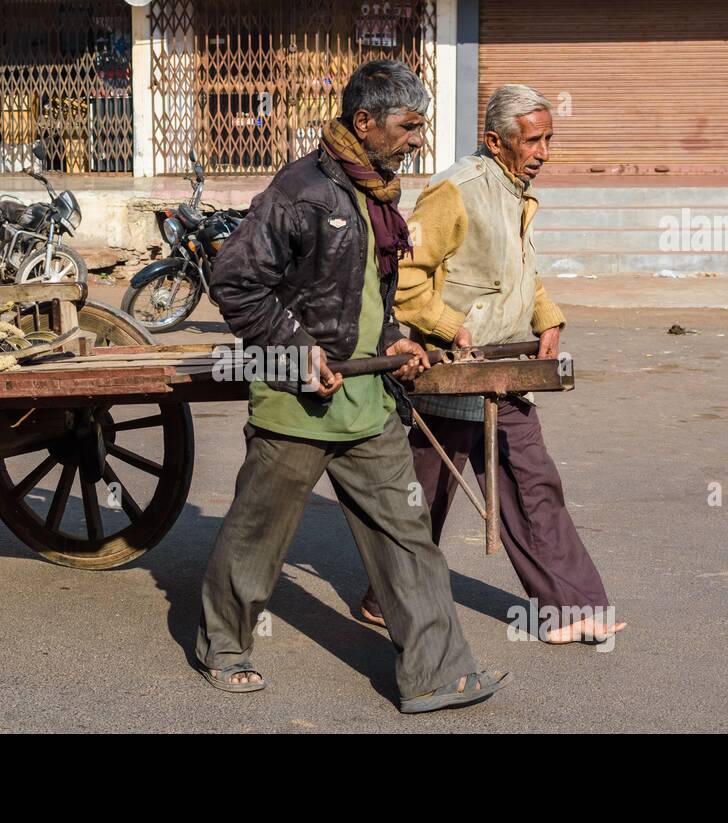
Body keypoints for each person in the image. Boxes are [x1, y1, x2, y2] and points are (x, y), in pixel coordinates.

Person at [195, 60, 510, 713]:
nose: (418, 138)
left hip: (368, 403)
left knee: (406, 535)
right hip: (297, 404)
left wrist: (395, 336)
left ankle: (437, 672)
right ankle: (223, 643)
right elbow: (234, 280)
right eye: (408, 126)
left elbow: (370, 295)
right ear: (363, 121)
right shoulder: (303, 191)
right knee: (258, 537)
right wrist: (297, 349)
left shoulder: (377, 192)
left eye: (421, 125)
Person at [358, 84, 626, 644]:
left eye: (550, 139)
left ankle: (570, 607)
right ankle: (388, 598)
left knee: (530, 481)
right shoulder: (456, 190)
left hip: (501, 368)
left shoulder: (515, 190)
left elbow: (518, 271)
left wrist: (547, 316)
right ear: (495, 141)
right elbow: (404, 283)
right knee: (425, 494)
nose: (544, 152)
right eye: (533, 140)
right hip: (452, 365)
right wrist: (448, 327)